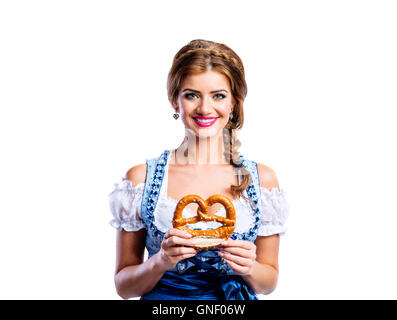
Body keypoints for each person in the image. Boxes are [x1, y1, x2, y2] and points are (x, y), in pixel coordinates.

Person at [108, 39, 290, 300]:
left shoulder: (262, 181)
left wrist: (250, 268)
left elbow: (268, 283)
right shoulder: (140, 180)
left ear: (234, 102)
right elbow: (124, 288)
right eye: (191, 95)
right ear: (175, 101)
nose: (205, 108)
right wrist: (159, 262)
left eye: (218, 95)